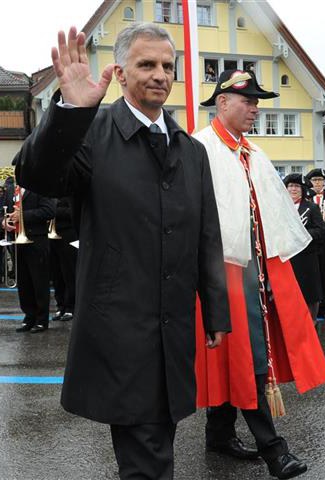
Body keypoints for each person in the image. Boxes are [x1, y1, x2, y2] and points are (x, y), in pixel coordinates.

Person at [15, 23, 230, 480]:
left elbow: (207, 236)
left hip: (173, 326)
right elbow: (37, 173)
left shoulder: (191, 151)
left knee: (160, 436)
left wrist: (215, 313)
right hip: (120, 328)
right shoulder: (91, 135)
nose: (159, 75)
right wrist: (71, 110)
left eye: (168, 66)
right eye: (146, 64)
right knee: (147, 452)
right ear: (121, 71)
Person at [194, 69, 325, 480]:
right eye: (247, 101)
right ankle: (274, 450)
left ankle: (218, 434)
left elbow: (272, 217)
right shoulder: (200, 149)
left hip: (257, 271)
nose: (255, 108)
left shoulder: (254, 153)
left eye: (257, 101)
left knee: (234, 355)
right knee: (246, 357)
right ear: (222, 103)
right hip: (221, 272)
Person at [1, 185, 55, 333]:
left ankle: (41, 320)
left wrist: (23, 215)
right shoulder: (12, 190)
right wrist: (4, 222)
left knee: (39, 282)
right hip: (18, 241)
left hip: (36, 240)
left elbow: (50, 211)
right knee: (24, 283)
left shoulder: (39, 187)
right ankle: (29, 317)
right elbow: (4, 210)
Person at [283, 173, 325, 322]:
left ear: (302, 189)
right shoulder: (281, 207)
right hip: (288, 257)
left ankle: (311, 321)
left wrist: (301, 233)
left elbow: (320, 231)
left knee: (310, 292)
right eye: (291, 186)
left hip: (307, 257)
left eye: (297, 186)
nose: (293, 189)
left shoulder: (311, 208)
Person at [305, 168, 325, 321]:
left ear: (324, 182)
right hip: (312, 243)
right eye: (314, 180)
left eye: (320, 180)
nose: (317, 183)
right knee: (312, 275)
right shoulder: (307, 199)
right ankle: (313, 308)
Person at [50, 196, 77, 322]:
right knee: (56, 273)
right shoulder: (49, 192)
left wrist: (53, 210)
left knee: (69, 272)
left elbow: (73, 211)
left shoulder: (69, 192)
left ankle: (71, 306)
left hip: (68, 233)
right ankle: (60, 305)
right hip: (52, 234)